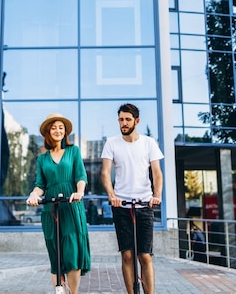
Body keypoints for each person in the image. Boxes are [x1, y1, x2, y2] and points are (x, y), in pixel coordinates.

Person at [100, 103, 164, 294]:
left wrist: (157, 196)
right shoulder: (111, 143)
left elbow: (157, 173)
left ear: (136, 121)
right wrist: (112, 196)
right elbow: (105, 173)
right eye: (121, 119)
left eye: (128, 119)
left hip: (144, 205)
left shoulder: (149, 143)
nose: (124, 123)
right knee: (127, 255)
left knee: (145, 256)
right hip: (121, 205)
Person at [27, 113, 91, 294]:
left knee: (71, 252)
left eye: (61, 128)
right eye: (54, 127)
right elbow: (40, 185)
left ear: (65, 132)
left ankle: (73, 292)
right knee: (55, 255)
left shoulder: (73, 151)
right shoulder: (42, 159)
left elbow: (80, 175)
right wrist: (33, 195)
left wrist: (79, 192)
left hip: (71, 205)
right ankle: (59, 290)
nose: (57, 130)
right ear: (48, 132)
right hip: (51, 208)